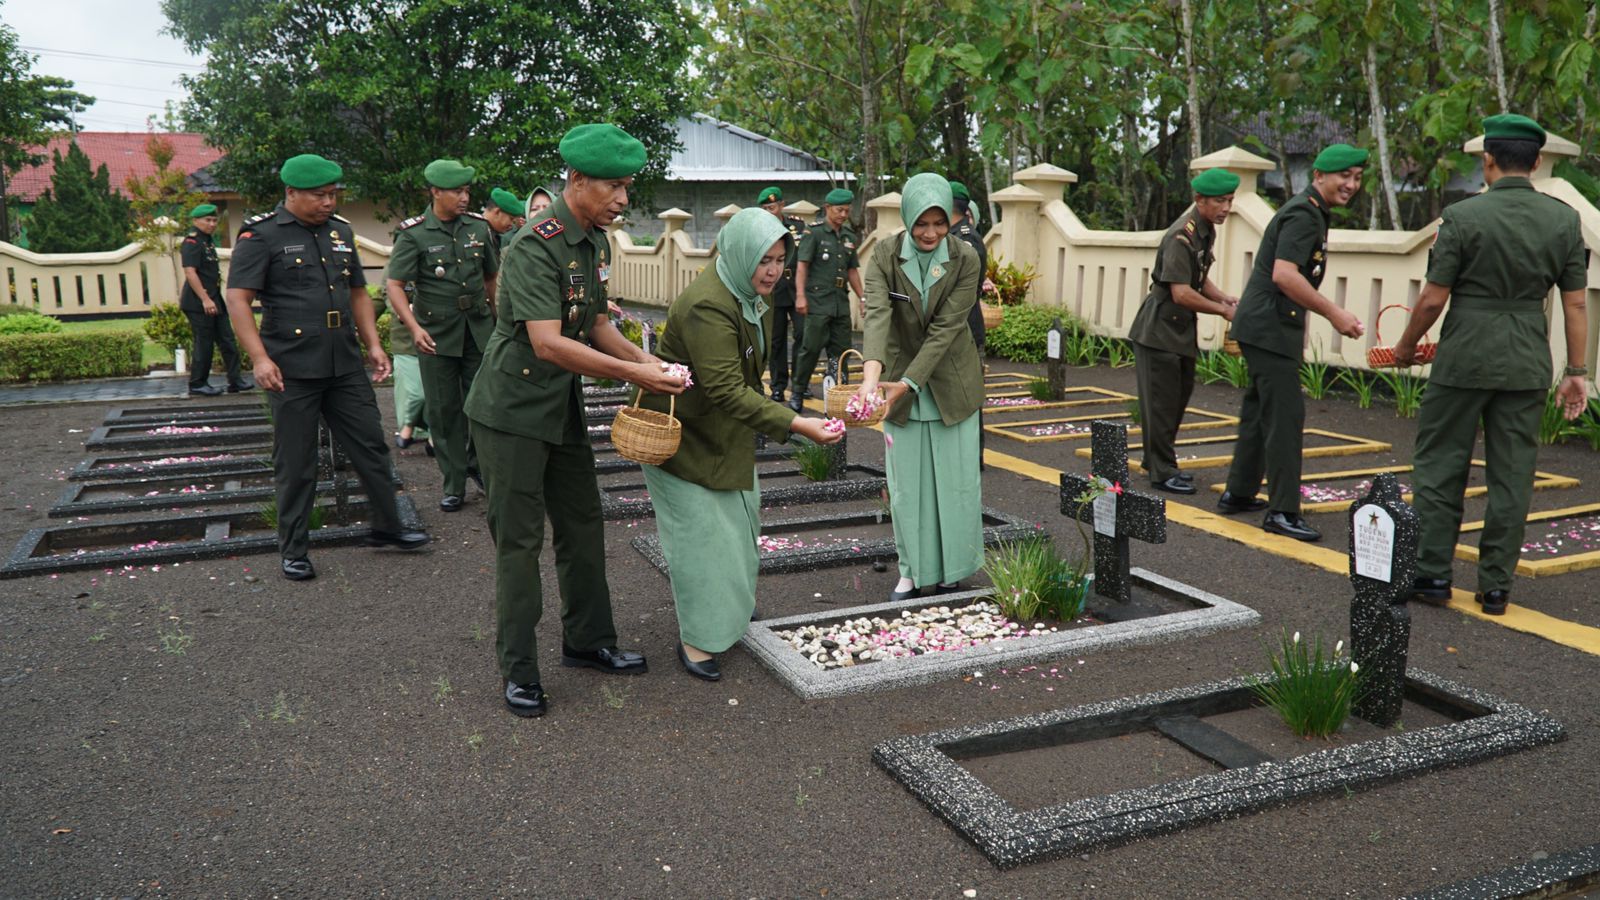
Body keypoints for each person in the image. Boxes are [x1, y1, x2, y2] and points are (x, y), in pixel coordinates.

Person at [464, 124, 686, 718]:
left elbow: (595, 324)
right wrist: (637, 375)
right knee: (519, 542)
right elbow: (547, 342)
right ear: (578, 180)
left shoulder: (593, 242)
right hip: (511, 411)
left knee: (583, 524)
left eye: (627, 187)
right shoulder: (534, 243)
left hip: (558, 406)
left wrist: (648, 361)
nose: (622, 199)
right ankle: (519, 671)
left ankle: (588, 642)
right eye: (613, 186)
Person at [1395, 114, 1590, 616]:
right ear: (1537, 162)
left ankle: (1432, 574)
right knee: (1513, 473)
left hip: (1464, 356)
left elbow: (1433, 299)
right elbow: (1575, 304)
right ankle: (1497, 586)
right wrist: (1576, 373)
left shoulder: (1462, 217)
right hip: (1526, 359)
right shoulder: (1563, 221)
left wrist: (1406, 346)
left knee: (1441, 464)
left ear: (1488, 161)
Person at [638, 208, 843, 680]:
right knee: (700, 539)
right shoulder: (709, 304)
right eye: (763, 260)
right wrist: (798, 424)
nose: (773, 271)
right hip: (684, 437)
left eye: (779, 260)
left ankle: (730, 609)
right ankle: (698, 641)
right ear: (739, 254)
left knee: (739, 524)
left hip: (722, 430)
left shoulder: (747, 293)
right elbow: (728, 389)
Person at [224, 153, 429, 581]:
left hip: (343, 362)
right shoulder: (261, 235)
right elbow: (238, 300)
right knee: (296, 462)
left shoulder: (340, 232)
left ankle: (388, 527)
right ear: (291, 192)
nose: (329, 202)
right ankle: (294, 550)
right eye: (319, 195)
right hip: (292, 367)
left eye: (333, 194)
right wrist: (259, 358)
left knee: (371, 446)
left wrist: (373, 345)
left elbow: (358, 293)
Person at [1218, 143, 1369, 541]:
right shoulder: (1304, 214)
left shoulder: (1311, 210)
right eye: (1344, 176)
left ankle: (1239, 492)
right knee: (1285, 417)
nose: (1351, 184)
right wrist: (1335, 313)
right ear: (1319, 175)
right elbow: (1285, 275)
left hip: (1265, 325)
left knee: (1260, 410)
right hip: (1270, 327)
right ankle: (1282, 511)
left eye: (1357, 178)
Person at [855, 173, 985, 601]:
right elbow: (877, 316)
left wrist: (909, 383)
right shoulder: (885, 255)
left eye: (940, 223)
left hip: (951, 378)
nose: (930, 233)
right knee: (907, 486)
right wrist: (871, 381)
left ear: (950, 219)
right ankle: (911, 571)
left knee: (956, 483)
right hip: (895, 378)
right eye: (922, 224)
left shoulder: (965, 257)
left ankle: (952, 571)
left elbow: (946, 329)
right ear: (908, 218)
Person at [383, 159, 499, 513]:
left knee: (484, 406)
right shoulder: (414, 233)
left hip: (478, 330)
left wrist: (500, 321)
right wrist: (414, 328)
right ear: (435, 192)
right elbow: (395, 285)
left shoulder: (479, 228)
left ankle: (480, 468)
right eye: (457, 191)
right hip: (436, 335)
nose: (464, 198)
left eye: (467, 191)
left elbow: (491, 278)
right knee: (444, 411)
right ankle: (454, 483)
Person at [1129, 168, 1241, 495]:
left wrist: (1223, 297)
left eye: (1230, 200)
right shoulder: (1182, 234)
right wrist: (1223, 311)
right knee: (1161, 404)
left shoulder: (1205, 230)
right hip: (1159, 330)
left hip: (1178, 330)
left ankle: (1156, 461)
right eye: (1220, 201)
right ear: (1199, 199)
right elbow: (1181, 293)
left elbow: (1198, 277)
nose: (1226, 208)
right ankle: (1162, 472)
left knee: (1178, 399)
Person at [790, 188, 864, 411]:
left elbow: (852, 271)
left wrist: (863, 298)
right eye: (839, 210)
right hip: (817, 301)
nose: (843, 215)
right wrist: (800, 296)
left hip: (840, 302)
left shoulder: (849, 236)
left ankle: (839, 394)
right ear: (827, 208)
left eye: (847, 211)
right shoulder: (814, 233)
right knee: (810, 349)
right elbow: (802, 266)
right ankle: (797, 391)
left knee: (841, 352)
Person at [178, 203, 249, 397]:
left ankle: (235, 381)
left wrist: (212, 299)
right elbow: (190, 273)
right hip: (198, 302)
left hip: (214, 298)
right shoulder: (192, 242)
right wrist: (205, 299)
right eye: (207, 220)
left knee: (228, 340)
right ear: (195, 221)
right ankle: (197, 383)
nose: (211, 224)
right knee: (204, 343)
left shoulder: (207, 241)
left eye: (214, 220)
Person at [757, 186, 808, 402]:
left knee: (802, 335)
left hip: (796, 288)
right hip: (773, 288)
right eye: (765, 208)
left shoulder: (798, 226)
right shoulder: (759, 229)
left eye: (772, 207)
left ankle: (800, 382)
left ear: (781, 205)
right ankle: (778, 385)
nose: (769, 212)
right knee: (775, 340)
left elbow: (806, 257)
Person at [387, 283, 432, 452]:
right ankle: (409, 425)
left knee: (439, 392)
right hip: (407, 344)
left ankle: (433, 436)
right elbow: (389, 296)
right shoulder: (394, 271)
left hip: (438, 339)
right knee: (417, 393)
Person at [483, 187, 526, 256]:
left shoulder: (492, 234)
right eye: (511, 219)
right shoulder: (479, 233)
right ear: (497, 212)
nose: (511, 225)